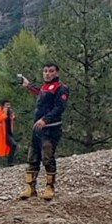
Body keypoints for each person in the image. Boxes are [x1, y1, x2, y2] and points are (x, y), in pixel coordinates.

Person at [18, 64, 69, 201]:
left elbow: (59, 107)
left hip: (51, 128)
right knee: (32, 157)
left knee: (47, 157)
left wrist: (45, 120)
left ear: (57, 73)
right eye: (45, 71)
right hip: (37, 129)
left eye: (51, 71)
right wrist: (28, 85)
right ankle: (30, 188)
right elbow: (39, 92)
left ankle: (49, 187)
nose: (47, 74)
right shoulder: (44, 88)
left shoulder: (61, 88)